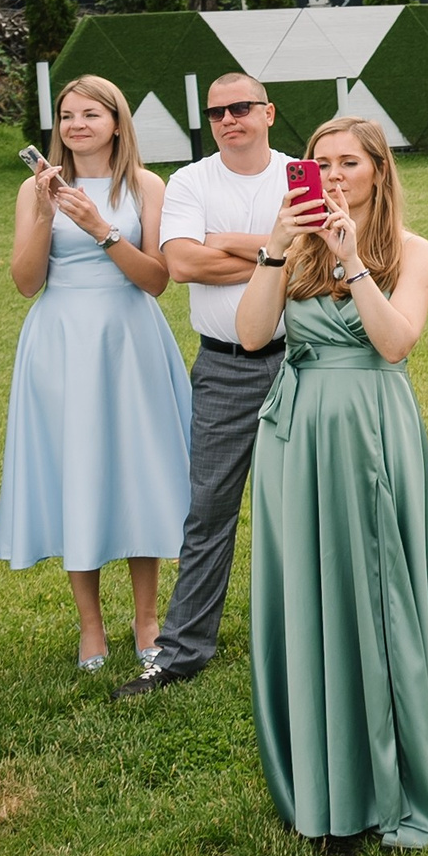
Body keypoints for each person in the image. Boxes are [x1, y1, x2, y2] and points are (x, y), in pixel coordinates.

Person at [236, 116, 428, 848]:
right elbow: (251, 335)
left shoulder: (410, 252)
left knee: (377, 594)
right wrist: (273, 250)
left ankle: (391, 777)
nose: (331, 175)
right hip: (296, 440)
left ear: (378, 172)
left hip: (370, 430)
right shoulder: (291, 252)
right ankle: (325, 779)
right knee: (310, 593)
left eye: (347, 163)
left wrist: (354, 261)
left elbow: (395, 345)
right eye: (319, 162)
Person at [0, 75, 190, 674]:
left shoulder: (146, 185)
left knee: (138, 468)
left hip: (130, 337)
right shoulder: (37, 191)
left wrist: (99, 229)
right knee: (76, 468)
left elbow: (156, 279)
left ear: (116, 122)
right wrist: (47, 210)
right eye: (66, 115)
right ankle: (90, 626)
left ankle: (148, 618)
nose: (76, 124)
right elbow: (27, 283)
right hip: (62, 340)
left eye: (89, 114)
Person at [117, 72, 293, 699]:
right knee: (209, 510)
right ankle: (183, 651)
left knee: (307, 508)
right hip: (223, 368)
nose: (228, 120)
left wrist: (235, 245)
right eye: (217, 112)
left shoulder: (301, 175)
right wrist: (275, 251)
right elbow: (182, 263)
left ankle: (312, 638)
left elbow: (321, 261)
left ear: (268, 112)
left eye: (241, 107)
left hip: (303, 361)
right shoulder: (192, 181)